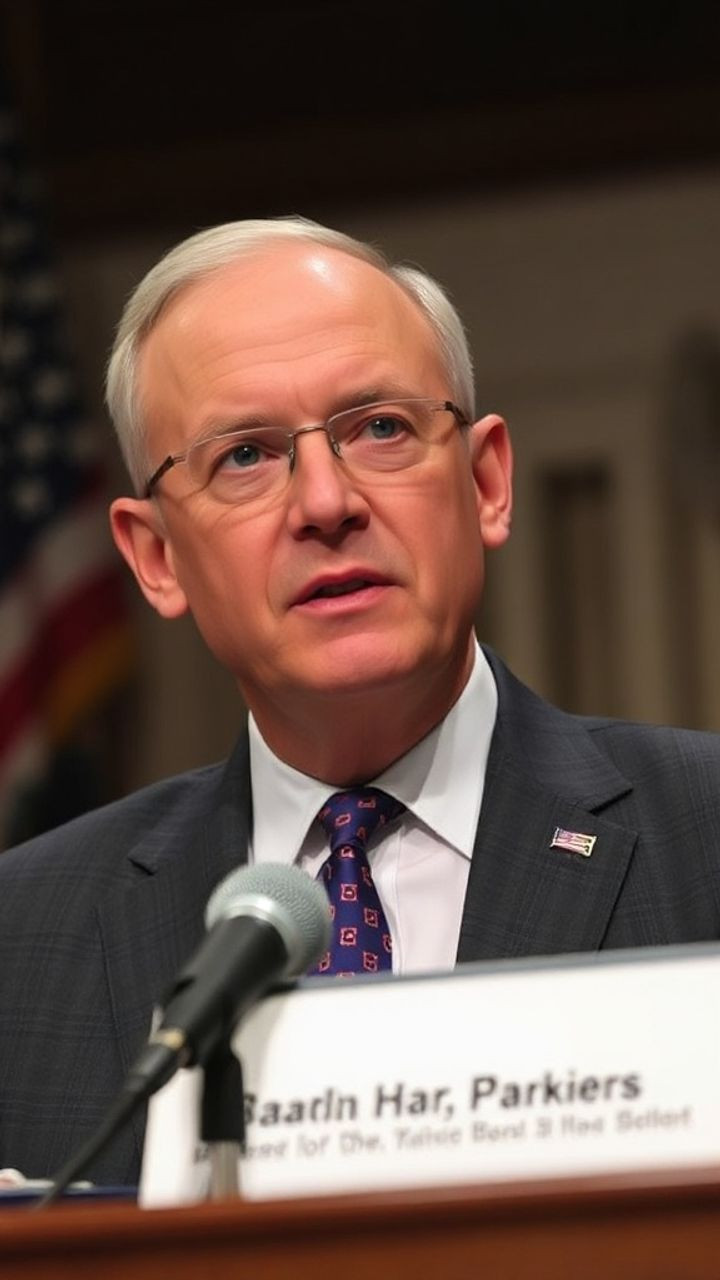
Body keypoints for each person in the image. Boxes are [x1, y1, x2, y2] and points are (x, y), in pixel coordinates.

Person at [0, 217, 718, 1187]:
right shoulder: (22, 939)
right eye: (244, 455)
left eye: (380, 427)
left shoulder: (702, 836)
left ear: (486, 481)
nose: (325, 502)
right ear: (156, 556)